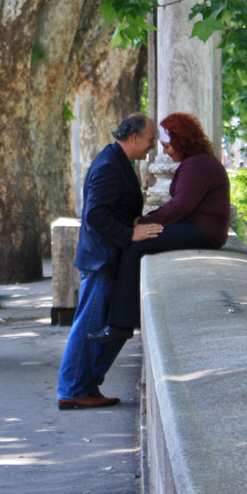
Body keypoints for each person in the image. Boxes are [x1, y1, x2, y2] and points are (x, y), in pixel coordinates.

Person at [88, 112, 230, 343]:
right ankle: (120, 321)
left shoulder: (197, 165)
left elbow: (179, 206)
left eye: (167, 146)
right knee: (137, 242)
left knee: (135, 247)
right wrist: (146, 222)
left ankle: (121, 324)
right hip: (201, 228)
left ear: (182, 142)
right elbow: (179, 207)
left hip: (204, 231)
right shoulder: (197, 162)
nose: (164, 151)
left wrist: (142, 224)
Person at [56, 112, 163, 410]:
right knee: (88, 326)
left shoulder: (115, 160)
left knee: (113, 327)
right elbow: (95, 215)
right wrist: (130, 233)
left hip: (106, 257)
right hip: (100, 260)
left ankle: (86, 386)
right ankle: (72, 389)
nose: (152, 146)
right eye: (151, 139)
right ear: (134, 138)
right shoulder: (109, 165)